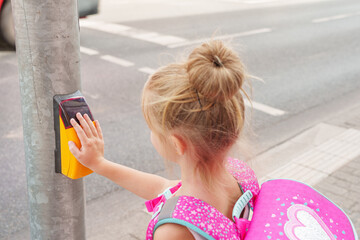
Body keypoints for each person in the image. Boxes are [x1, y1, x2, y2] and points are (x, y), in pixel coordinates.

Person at [68, 40, 258, 240]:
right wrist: (99, 164)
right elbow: (164, 188)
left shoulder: (175, 231)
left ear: (177, 144)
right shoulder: (239, 175)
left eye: (153, 129)